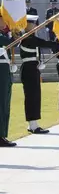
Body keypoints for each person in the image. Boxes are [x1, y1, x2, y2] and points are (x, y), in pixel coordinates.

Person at [20, 14, 58, 134]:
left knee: (35, 96)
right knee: (32, 96)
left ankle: (34, 123)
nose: (36, 26)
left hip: (33, 68)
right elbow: (45, 43)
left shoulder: (31, 37)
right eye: (34, 24)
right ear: (28, 25)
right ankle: (32, 125)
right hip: (28, 69)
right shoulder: (27, 38)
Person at [0, 16, 15, 147]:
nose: (5, 23)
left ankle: (3, 134)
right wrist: (16, 34)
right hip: (1, 71)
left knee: (5, 103)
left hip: (5, 70)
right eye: (3, 20)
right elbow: (10, 42)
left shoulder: (3, 34)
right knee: (1, 103)